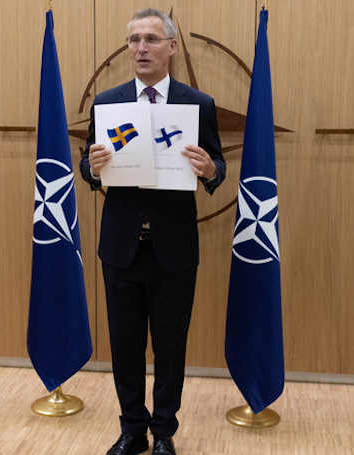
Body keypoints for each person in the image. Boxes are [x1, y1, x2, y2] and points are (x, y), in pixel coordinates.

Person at [80, 8, 225, 455]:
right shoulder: (108, 103)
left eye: (150, 39)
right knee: (124, 347)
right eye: (133, 40)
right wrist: (92, 167)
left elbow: (217, 167)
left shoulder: (197, 104)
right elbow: (89, 169)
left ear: (171, 47)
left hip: (174, 247)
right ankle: (131, 430)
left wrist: (209, 168)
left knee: (170, 347)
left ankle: (164, 433)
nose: (140, 48)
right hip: (121, 246)